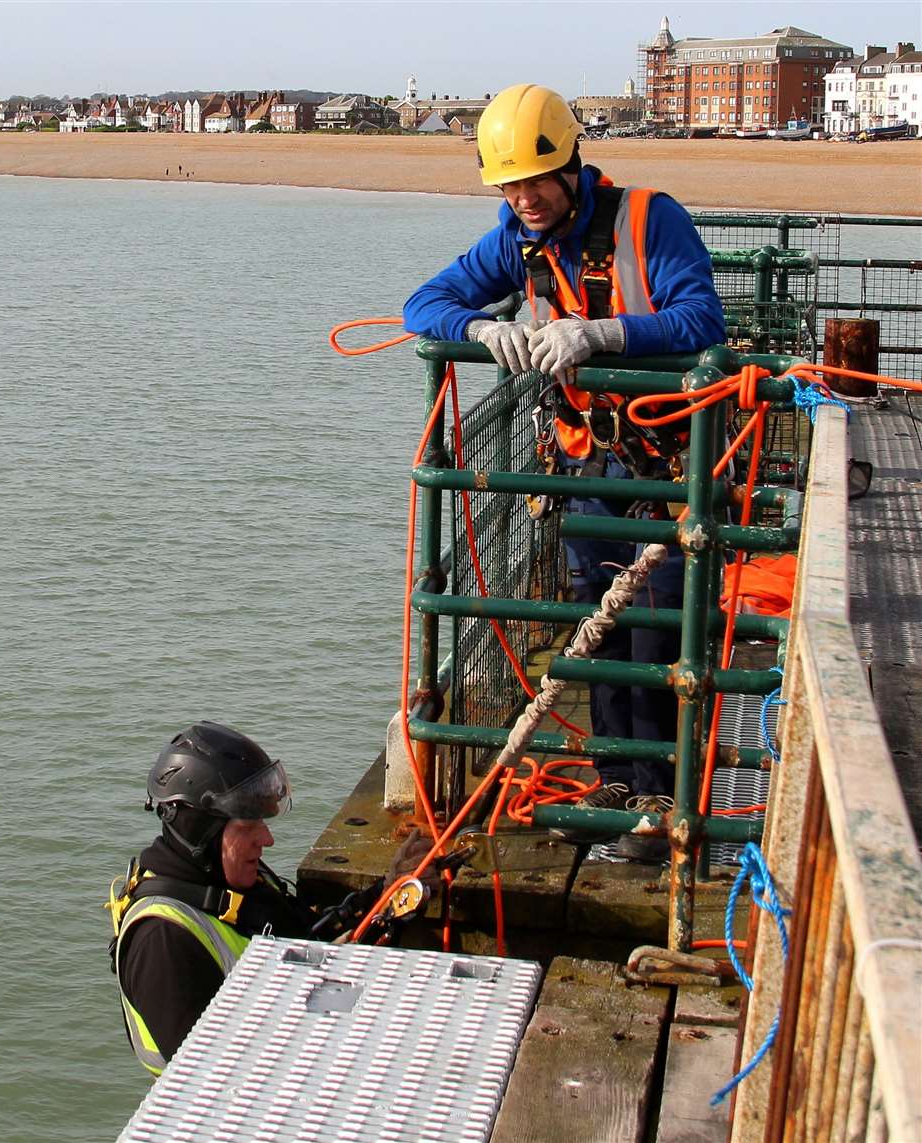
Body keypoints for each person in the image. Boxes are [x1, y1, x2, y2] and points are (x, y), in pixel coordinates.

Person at [403, 84, 726, 862]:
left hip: (664, 464)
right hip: (585, 462)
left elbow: (702, 321)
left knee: (656, 627)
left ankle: (661, 795)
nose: (524, 200)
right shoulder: (516, 240)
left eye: (535, 183)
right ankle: (618, 780)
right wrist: (479, 326)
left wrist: (605, 333)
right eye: (509, 187)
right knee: (601, 621)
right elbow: (424, 303)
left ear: (572, 167)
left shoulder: (652, 217)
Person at [108, 721, 434, 1075]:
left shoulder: (231, 880)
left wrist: (388, 894)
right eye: (247, 827)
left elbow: (311, 937)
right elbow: (210, 1077)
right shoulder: (163, 940)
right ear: (202, 834)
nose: (267, 840)